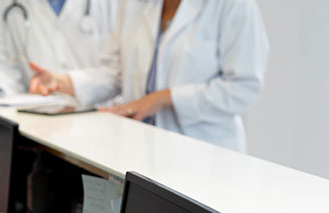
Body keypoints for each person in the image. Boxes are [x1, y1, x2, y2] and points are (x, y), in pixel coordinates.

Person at [28, 0, 269, 152]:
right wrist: (62, 82)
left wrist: (164, 98)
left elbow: (243, 88)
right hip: (142, 150)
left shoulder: (233, 6)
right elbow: (115, 74)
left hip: (204, 154)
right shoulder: (134, 4)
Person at [0, 0, 118, 99]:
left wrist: (66, 82)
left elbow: (117, 72)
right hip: (34, 120)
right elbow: (0, 64)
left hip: (99, 115)